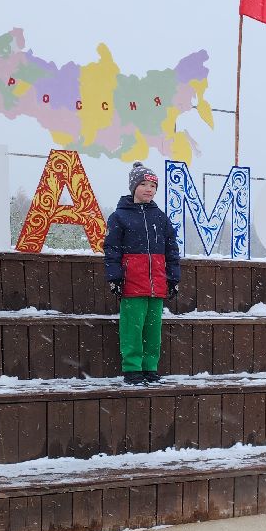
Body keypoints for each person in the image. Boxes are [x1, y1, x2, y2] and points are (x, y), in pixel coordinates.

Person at [103, 162, 181, 384]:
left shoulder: (161, 218)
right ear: (133, 187)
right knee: (132, 328)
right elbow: (112, 250)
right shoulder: (119, 217)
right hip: (132, 283)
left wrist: (173, 278)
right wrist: (115, 277)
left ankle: (150, 367)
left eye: (153, 186)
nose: (149, 189)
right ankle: (132, 368)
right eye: (144, 184)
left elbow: (172, 251)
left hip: (157, 283)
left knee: (153, 330)